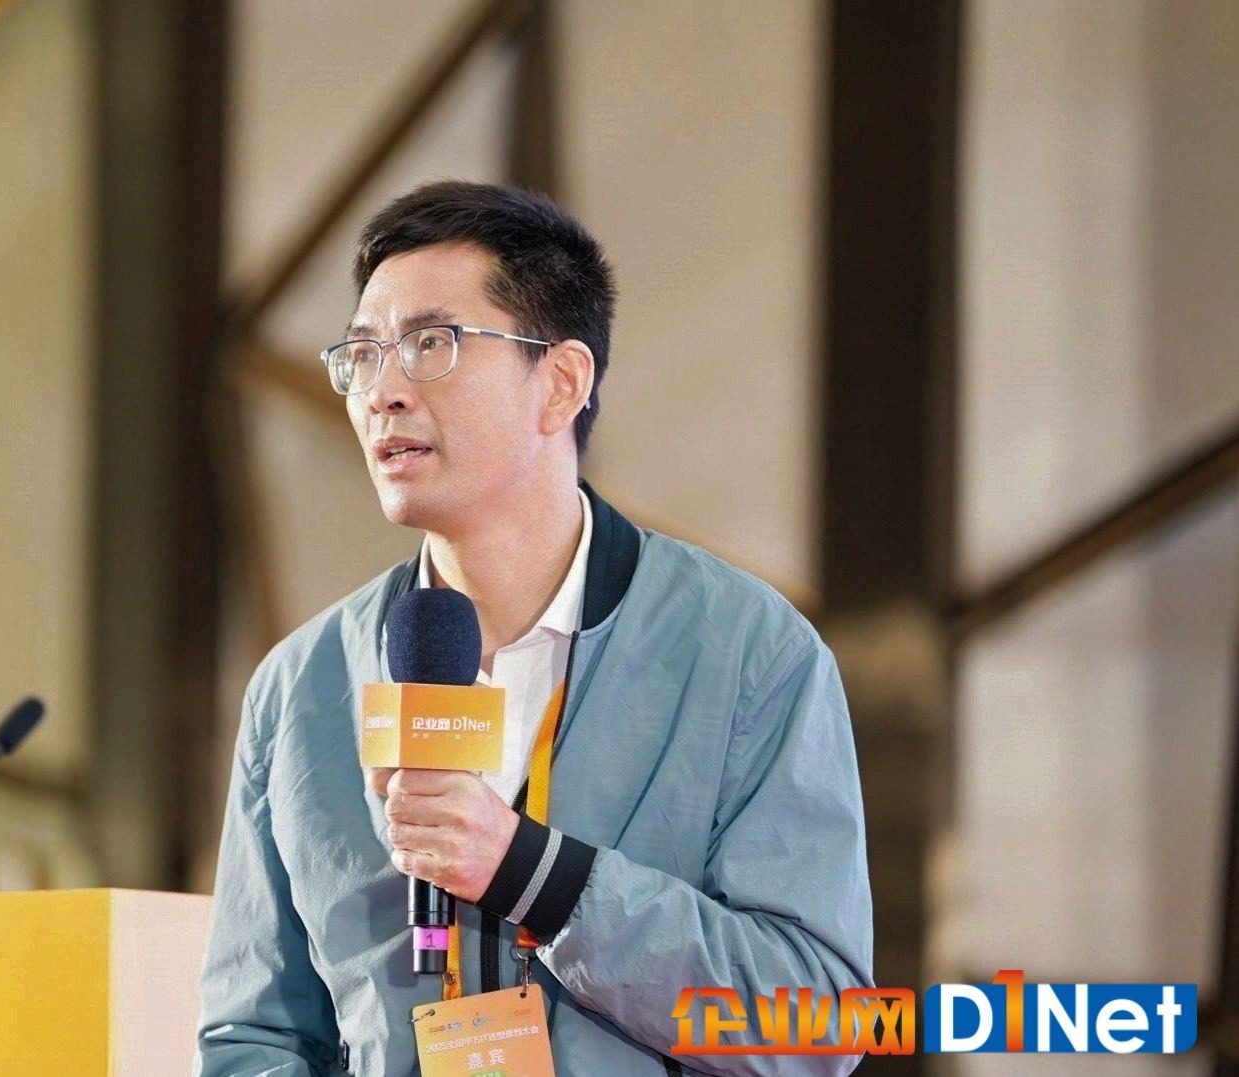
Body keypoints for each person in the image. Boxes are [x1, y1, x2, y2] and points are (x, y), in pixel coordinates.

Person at [196, 181, 873, 1075]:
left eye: (430, 344)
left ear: (559, 383)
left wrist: (532, 873)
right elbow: (255, 1036)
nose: (382, 391)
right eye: (362, 353)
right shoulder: (301, 685)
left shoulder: (747, 650)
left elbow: (817, 1023)